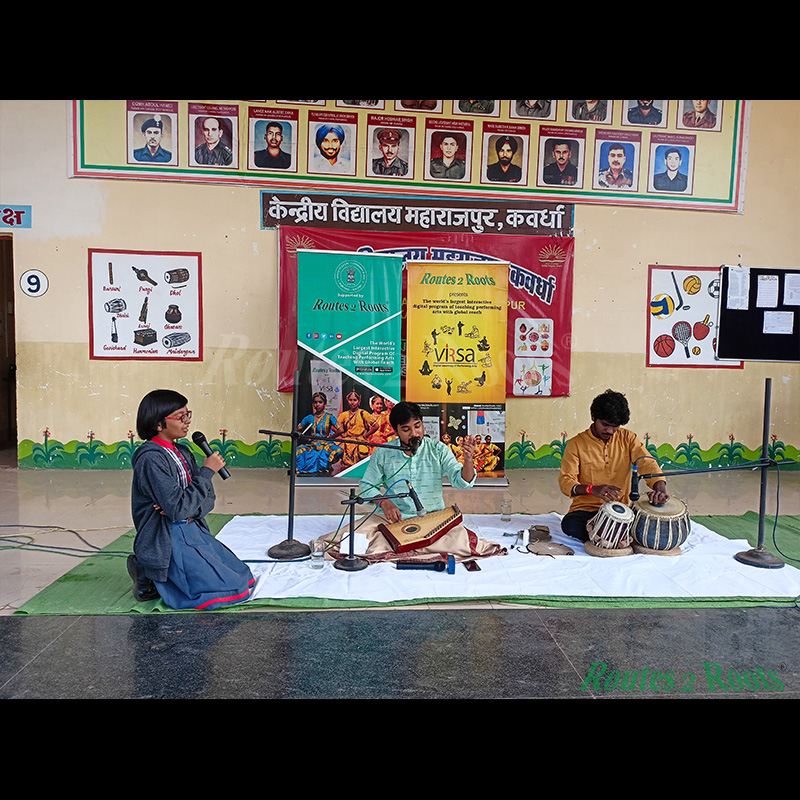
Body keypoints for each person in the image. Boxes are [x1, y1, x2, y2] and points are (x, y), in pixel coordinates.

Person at [128, 389, 254, 609]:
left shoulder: (183, 451)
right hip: (168, 534)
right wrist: (206, 472)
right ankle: (147, 565)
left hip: (192, 527)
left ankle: (150, 566)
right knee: (222, 589)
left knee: (241, 575)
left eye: (188, 415)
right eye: (180, 417)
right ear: (158, 424)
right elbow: (178, 508)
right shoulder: (151, 459)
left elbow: (208, 498)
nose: (187, 422)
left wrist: (187, 509)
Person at [558, 389, 668, 542]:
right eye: (605, 424)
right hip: (588, 510)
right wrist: (592, 489)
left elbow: (647, 463)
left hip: (621, 509)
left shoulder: (628, 438)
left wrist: (660, 490)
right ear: (593, 417)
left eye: (615, 426)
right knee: (570, 525)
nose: (610, 431)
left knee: (651, 525)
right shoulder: (576, 444)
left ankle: (604, 535)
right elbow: (566, 482)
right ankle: (618, 536)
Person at [359, 401, 476, 522]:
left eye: (417, 426)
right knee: (354, 532)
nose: (414, 434)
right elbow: (367, 485)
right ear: (396, 431)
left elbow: (462, 482)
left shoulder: (438, 449)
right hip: (394, 519)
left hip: (433, 518)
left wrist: (468, 460)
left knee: (459, 534)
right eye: (406, 429)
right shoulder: (383, 453)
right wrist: (384, 502)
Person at [296, 391, 343, 474]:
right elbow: (297, 430)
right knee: (297, 450)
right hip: (312, 445)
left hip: (325, 445)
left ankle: (326, 466)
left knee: (338, 451)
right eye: (315, 402)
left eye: (320, 402)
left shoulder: (329, 417)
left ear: (325, 404)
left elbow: (341, 430)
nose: (317, 405)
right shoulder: (309, 417)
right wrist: (306, 438)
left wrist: (330, 437)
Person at [336, 390, 378, 467]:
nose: (352, 402)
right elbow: (334, 426)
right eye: (350, 400)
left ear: (359, 401)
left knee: (362, 452)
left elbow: (376, 426)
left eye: (355, 400)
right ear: (347, 401)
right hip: (348, 440)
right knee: (336, 450)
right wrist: (342, 434)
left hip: (360, 440)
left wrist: (366, 435)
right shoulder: (344, 415)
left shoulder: (363, 413)